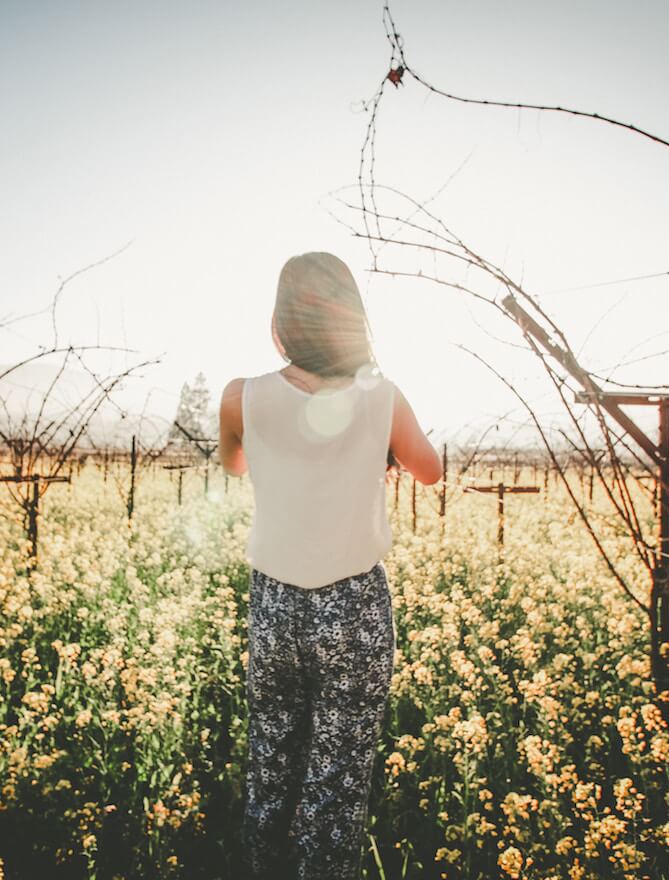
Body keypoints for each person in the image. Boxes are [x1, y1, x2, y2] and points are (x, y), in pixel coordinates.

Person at [218, 251, 441, 879]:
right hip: (356, 607)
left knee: (273, 757)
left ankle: (264, 868)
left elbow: (233, 464)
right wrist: (383, 449)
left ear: (281, 318)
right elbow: (430, 469)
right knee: (336, 776)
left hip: (274, 604)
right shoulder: (383, 396)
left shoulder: (242, 396)